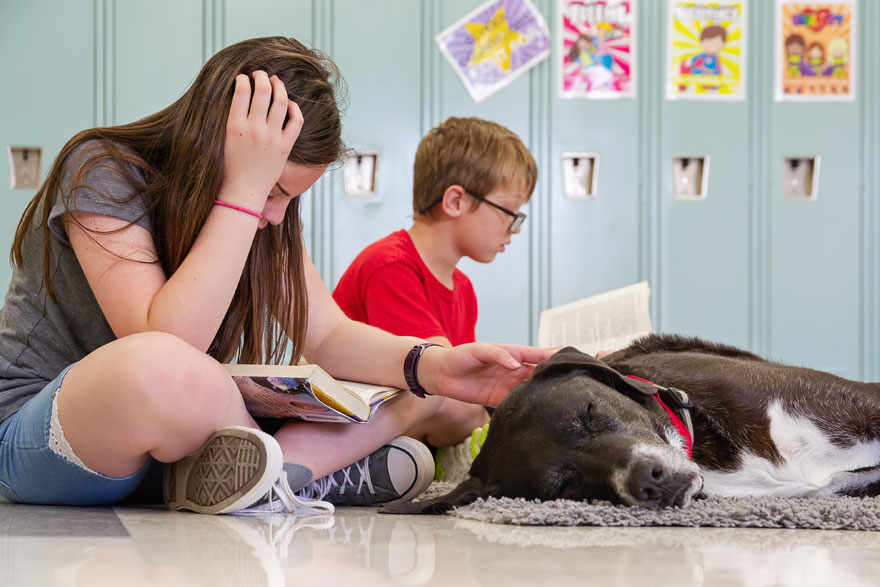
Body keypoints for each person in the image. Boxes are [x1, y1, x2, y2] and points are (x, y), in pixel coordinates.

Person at [0, 37, 551, 515]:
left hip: (173, 450)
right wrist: (243, 190)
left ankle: (273, 474)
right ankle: (306, 471)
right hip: (52, 436)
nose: (276, 215)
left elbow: (330, 336)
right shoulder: (103, 168)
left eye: (289, 197)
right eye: (271, 191)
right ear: (218, 148)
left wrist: (435, 365)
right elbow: (168, 340)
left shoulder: (267, 219)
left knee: (417, 377)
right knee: (161, 365)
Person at [332, 117, 536, 479]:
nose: (514, 230)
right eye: (510, 214)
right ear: (455, 201)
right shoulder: (390, 265)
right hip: (345, 420)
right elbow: (436, 377)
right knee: (459, 407)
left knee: (475, 406)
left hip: (406, 416)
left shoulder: (464, 289)